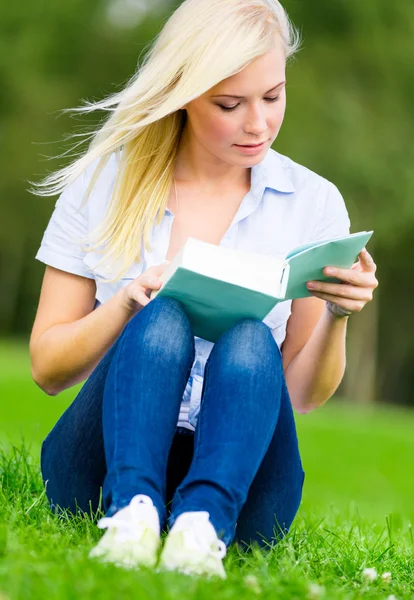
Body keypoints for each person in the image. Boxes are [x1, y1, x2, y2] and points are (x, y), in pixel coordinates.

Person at [29, 0, 378, 580]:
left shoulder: (314, 203)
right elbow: (47, 369)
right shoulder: (103, 183)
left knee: (248, 338)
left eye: (273, 96)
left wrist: (339, 315)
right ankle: (130, 514)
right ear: (183, 94)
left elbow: (303, 395)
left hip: (245, 486)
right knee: (163, 315)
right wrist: (126, 304)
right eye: (229, 104)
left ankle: (204, 524)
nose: (258, 123)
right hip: (100, 463)